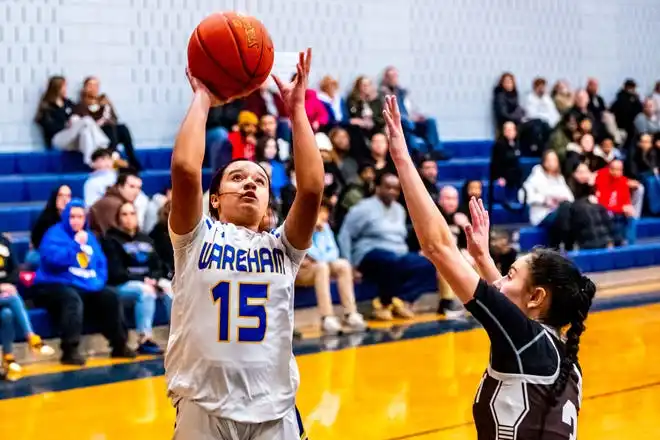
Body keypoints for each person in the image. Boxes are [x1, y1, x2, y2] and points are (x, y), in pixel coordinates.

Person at [381, 95, 596, 440]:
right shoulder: (560, 356)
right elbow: (511, 307)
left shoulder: (526, 341)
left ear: (537, 297)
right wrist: (483, 259)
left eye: (510, 275)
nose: (500, 281)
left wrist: (403, 160)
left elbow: (436, 247)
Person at [167, 49, 322, 439]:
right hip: (203, 405)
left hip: (274, 408)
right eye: (236, 177)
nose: (250, 183)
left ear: (270, 200)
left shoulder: (283, 250)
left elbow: (312, 188)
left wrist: (296, 110)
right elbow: (186, 170)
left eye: (259, 180)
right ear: (214, 198)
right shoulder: (195, 238)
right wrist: (203, 96)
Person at [31, 199, 134, 365]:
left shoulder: (91, 238)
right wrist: (75, 245)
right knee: (71, 299)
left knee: (110, 296)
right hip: (53, 284)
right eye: (72, 217)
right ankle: (69, 350)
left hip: (85, 284)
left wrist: (97, 284)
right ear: (65, 217)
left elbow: (101, 266)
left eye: (80, 217)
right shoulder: (54, 234)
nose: (76, 220)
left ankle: (119, 344)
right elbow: (52, 261)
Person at [102, 202, 173, 355]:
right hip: (121, 286)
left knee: (170, 289)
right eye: (124, 214)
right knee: (146, 291)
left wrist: (154, 278)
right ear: (118, 218)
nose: (129, 218)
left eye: (132, 213)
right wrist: (144, 279)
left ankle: (178, 338)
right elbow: (115, 272)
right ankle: (144, 339)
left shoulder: (145, 239)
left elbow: (158, 266)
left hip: (147, 281)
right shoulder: (111, 240)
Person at [295, 200, 366, 335]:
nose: (324, 215)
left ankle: (350, 313)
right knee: (322, 267)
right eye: (321, 211)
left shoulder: (325, 227)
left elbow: (334, 251)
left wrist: (323, 257)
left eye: (325, 212)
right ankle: (326, 316)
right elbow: (309, 250)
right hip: (300, 272)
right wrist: (313, 231)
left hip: (319, 264)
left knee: (343, 265)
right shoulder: (300, 226)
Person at [1, 233, 54, 380]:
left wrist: (9, 284)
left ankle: (8, 357)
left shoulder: (4, 241)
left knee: (7, 314)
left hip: (3, 296)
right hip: (3, 292)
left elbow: (15, 269)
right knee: (13, 298)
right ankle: (31, 336)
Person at [34, 76, 109, 164]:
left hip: (72, 138)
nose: (66, 89)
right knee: (86, 120)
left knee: (85, 132)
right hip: (58, 139)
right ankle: (104, 144)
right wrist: (66, 124)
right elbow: (49, 127)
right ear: (57, 88)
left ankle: (89, 160)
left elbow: (77, 114)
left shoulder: (67, 103)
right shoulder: (47, 106)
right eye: (64, 86)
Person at [28, 184, 73, 268]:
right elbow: (36, 244)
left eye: (68, 196)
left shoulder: (75, 219)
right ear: (54, 197)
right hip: (45, 254)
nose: (65, 199)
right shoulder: (44, 219)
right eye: (60, 195)